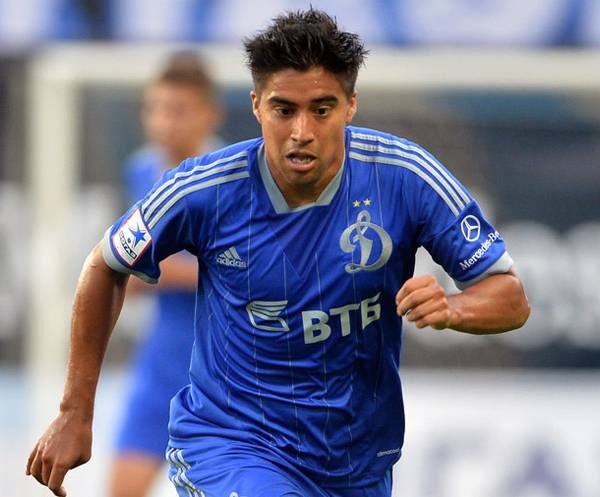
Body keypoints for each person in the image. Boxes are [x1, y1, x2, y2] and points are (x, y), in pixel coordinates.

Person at [26, 9, 530, 497]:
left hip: (355, 463)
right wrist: (75, 412)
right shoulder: (203, 189)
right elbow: (106, 264)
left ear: (350, 105)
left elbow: (510, 296)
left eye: (322, 110)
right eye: (284, 110)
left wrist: (454, 307)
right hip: (232, 443)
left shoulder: (405, 177)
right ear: (256, 106)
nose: (302, 132)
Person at [109, 53, 224, 497]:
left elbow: (245, 272)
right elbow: (128, 269)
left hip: (220, 368)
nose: (164, 123)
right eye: (155, 109)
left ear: (209, 114)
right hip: (161, 359)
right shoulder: (141, 169)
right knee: (121, 489)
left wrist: (153, 270)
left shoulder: (231, 177)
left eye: (177, 111)